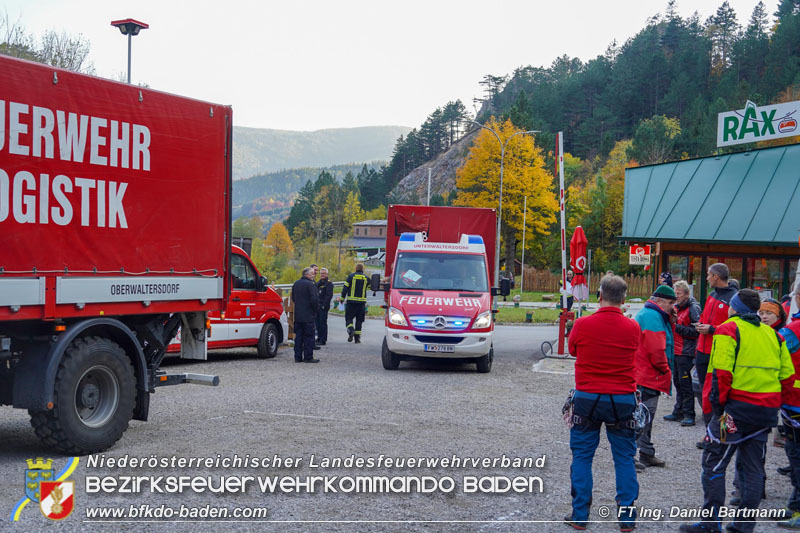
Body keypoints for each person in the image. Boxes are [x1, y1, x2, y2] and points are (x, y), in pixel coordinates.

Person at [679, 289, 794, 533]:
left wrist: (716, 411)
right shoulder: (774, 336)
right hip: (764, 413)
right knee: (752, 470)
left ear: (735, 307)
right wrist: (773, 403)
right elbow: (786, 376)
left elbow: (721, 374)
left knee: (714, 463)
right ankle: (744, 525)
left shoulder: (729, 329)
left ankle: (710, 523)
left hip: (732, 412)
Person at [565, 275, 641, 531]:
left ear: (599, 295)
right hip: (622, 399)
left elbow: (573, 350)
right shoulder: (632, 327)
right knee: (624, 457)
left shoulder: (583, 324)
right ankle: (627, 518)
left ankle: (579, 515)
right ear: (624, 298)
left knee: (583, 456)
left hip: (588, 397)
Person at [694, 263, 738, 444]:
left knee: (720, 397)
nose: (706, 278)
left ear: (716, 277)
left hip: (719, 353)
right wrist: (700, 325)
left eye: (708, 275)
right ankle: (710, 435)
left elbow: (736, 325)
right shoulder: (712, 295)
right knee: (706, 396)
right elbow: (705, 317)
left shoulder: (734, 298)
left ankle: (723, 434)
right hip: (702, 351)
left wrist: (712, 329)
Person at [634, 284, 675, 468]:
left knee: (643, 417)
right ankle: (633, 456)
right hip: (648, 375)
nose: (672, 307)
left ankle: (645, 452)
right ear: (659, 301)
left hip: (645, 374)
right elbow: (657, 349)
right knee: (643, 417)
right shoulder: (652, 317)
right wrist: (665, 369)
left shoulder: (652, 314)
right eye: (670, 303)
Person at [664, 280, 701, 426]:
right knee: (678, 383)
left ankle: (689, 414)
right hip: (677, 350)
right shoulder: (677, 307)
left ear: (687, 294)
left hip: (686, 351)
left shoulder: (693, 308)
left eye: (679, 293)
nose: (676, 296)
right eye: (675, 293)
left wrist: (677, 327)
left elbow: (696, 332)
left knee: (685, 384)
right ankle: (678, 411)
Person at [778, 291, 800, 529]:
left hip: (795, 402)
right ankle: (794, 504)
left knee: (796, 454)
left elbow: (773, 348)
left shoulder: (794, 329)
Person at [291, 267, 319, 363]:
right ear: (307, 274)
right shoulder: (310, 285)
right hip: (308, 315)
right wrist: (315, 310)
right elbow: (314, 299)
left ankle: (297, 356)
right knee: (308, 336)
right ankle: (308, 356)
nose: (313, 275)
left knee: (298, 336)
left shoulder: (296, 284)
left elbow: (293, 298)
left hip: (298, 315)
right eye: (312, 274)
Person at [342, 263, 368, 343]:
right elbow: (371, 286)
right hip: (361, 304)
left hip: (351, 303)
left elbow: (345, 288)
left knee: (349, 319)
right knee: (359, 321)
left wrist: (342, 298)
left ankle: (351, 330)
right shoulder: (366, 278)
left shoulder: (351, 276)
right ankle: (357, 339)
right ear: (363, 269)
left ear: (356, 268)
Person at [316, 268, 334, 346]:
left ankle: (323, 339)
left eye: (324, 273)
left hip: (323, 306)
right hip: (317, 306)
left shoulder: (329, 284)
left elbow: (328, 296)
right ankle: (319, 337)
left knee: (323, 323)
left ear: (327, 274)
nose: (322, 275)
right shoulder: (318, 283)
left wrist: (324, 305)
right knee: (317, 323)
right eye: (321, 273)